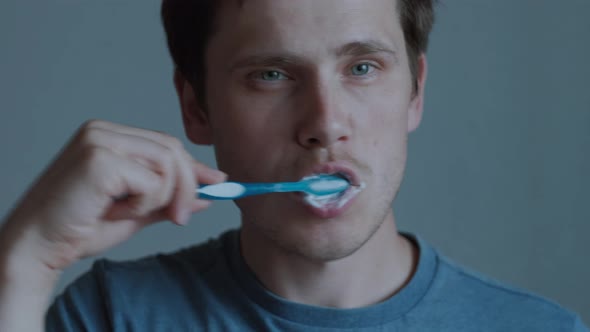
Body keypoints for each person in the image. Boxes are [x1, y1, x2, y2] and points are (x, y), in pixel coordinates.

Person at [0, 0, 587, 331]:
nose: (325, 123)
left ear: (415, 92)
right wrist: (25, 261)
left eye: (362, 68)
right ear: (195, 106)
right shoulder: (111, 318)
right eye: (272, 75)